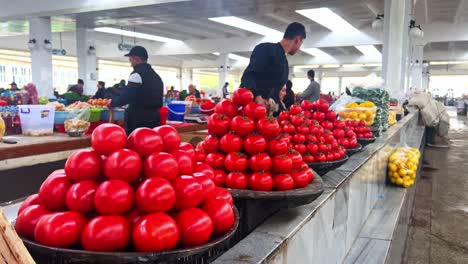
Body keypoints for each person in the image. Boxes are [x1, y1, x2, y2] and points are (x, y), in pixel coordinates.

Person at [240, 22, 306, 107]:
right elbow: (248, 75)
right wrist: (257, 97)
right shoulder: (265, 49)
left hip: (265, 114)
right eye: (301, 43)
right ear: (297, 40)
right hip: (248, 107)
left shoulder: (285, 65)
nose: (299, 48)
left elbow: (274, 92)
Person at [109, 46, 164, 134]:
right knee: (152, 143)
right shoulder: (156, 76)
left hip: (139, 119)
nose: (130, 64)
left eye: (130, 60)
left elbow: (125, 98)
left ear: (136, 59)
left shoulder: (137, 74)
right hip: (154, 117)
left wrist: (112, 102)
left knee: (136, 144)